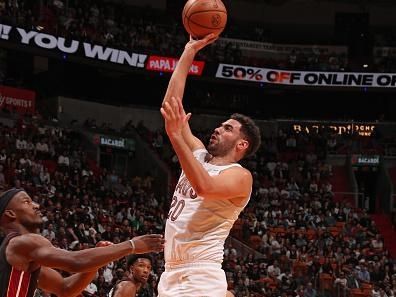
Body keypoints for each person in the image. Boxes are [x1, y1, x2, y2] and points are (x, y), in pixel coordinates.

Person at [158, 34, 261, 296]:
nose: (217, 129)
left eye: (228, 129)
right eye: (220, 125)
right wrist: (189, 50)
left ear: (241, 145)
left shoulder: (240, 177)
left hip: (200, 274)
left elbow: (204, 186)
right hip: (171, 271)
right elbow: (172, 108)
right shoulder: (200, 156)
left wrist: (175, 136)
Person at [0, 188, 164, 297]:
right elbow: (75, 261)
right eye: (27, 201)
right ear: (10, 213)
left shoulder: (21, 258)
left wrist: (98, 261)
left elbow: (65, 288)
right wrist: (132, 245)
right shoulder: (21, 242)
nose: (36, 205)